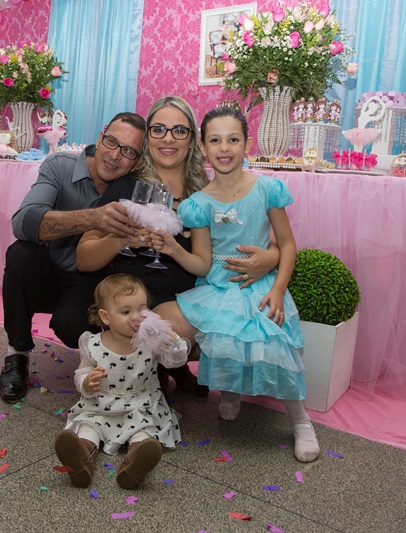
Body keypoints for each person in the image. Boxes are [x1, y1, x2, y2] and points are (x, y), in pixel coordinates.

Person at [76, 96, 280, 395]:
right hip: (133, 300)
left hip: (190, 301)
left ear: (194, 140)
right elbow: (84, 259)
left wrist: (271, 258)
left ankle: (169, 366)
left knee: (204, 323)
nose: (168, 138)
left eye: (179, 131)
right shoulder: (126, 188)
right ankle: (158, 372)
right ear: (148, 138)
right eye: (158, 129)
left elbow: (269, 240)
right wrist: (121, 238)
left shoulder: (208, 191)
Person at [151, 106, 320, 463]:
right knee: (225, 342)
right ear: (203, 146)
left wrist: (278, 290)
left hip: (259, 287)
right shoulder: (199, 204)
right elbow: (202, 261)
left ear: (247, 143)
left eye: (233, 140)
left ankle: (301, 422)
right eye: (215, 140)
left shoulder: (268, 189)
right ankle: (231, 393)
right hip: (217, 288)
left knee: (270, 342)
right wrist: (174, 250)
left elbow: (287, 244)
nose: (224, 148)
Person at [0, 112, 146, 403]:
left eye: (128, 151)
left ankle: (99, 354)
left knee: (72, 325)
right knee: (21, 254)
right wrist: (93, 218)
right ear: (100, 137)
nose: (115, 155)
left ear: (137, 161)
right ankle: (16, 355)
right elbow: (23, 222)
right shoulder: (61, 166)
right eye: (111, 142)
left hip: (88, 281)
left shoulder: (133, 188)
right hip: (44, 273)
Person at [54, 274, 188, 489]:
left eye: (142, 309)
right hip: (100, 405)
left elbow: (175, 361)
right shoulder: (92, 343)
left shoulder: (150, 342)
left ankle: (135, 463)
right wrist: (87, 382)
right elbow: (81, 372)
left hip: (140, 405)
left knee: (143, 431)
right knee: (89, 426)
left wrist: (171, 339)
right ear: (105, 317)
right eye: (126, 312)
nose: (136, 317)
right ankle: (81, 457)